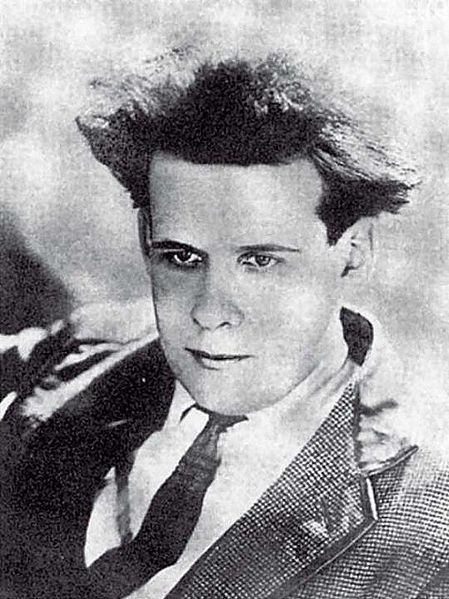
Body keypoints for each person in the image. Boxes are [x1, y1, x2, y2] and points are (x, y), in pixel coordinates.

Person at [1, 44, 449, 599]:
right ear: (145, 236)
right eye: (181, 257)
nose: (210, 313)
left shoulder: (430, 528)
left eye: (260, 261)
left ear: (353, 250)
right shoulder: (92, 345)